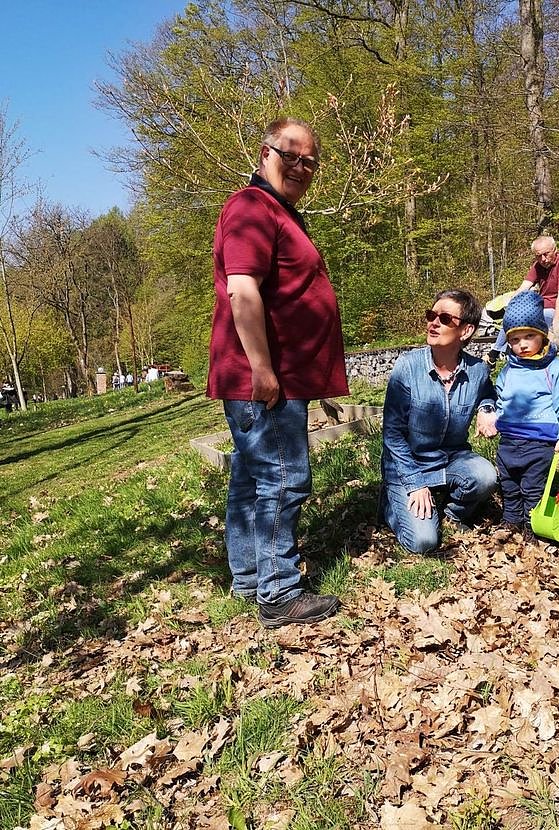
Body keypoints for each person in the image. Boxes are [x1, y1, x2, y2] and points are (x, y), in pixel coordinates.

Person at [206, 117, 349, 628]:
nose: (301, 167)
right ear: (265, 152)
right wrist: (262, 368)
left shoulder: (279, 212)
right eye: (291, 155)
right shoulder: (251, 207)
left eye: (310, 161)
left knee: (251, 478)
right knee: (284, 479)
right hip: (265, 378)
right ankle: (279, 592)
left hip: (280, 374)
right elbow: (242, 290)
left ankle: (249, 577)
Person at [380, 289, 498, 555]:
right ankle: (390, 502)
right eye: (431, 315)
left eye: (444, 319)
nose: (433, 323)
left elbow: (488, 394)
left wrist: (486, 408)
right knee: (423, 542)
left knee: (486, 476)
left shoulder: (477, 371)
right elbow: (392, 434)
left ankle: (453, 513)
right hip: (408, 464)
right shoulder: (407, 367)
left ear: (466, 331)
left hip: (451, 459)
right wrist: (415, 483)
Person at [495, 291, 559, 540]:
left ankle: (533, 526)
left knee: (532, 487)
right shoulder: (509, 369)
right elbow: (501, 398)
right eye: (515, 339)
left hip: (539, 441)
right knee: (509, 484)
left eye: (529, 336)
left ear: (542, 335)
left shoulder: (554, 368)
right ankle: (511, 520)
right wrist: (495, 418)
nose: (522, 344)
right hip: (508, 440)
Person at [485, 236, 559, 368]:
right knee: (512, 315)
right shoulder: (538, 265)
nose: (543, 259)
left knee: (533, 317)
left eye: (546, 254)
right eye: (539, 256)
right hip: (541, 305)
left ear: (555, 250)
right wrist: (512, 305)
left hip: (557, 309)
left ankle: (503, 355)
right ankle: (495, 354)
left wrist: (556, 324)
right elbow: (523, 287)